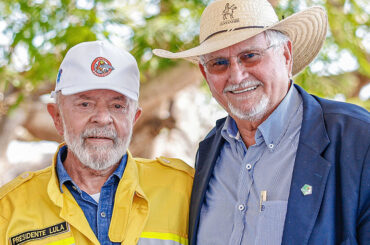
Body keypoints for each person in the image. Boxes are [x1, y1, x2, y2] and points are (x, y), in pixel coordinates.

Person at [153, 0, 370, 244]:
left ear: (286, 55)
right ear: (205, 74)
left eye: (250, 56)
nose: (236, 75)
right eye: (219, 63)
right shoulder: (209, 148)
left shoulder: (358, 138)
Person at [0, 41, 194, 245]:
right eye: (85, 104)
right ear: (57, 116)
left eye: (117, 105)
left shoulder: (184, 189)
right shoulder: (9, 209)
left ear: (134, 118)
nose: (102, 118)